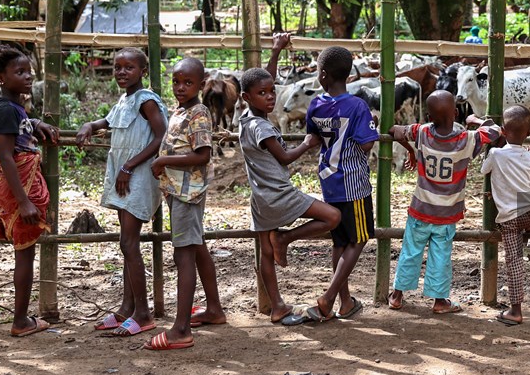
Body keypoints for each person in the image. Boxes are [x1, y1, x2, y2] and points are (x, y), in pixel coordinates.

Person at [76, 48, 186, 336]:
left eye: (129, 68)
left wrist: (129, 166)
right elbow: (107, 122)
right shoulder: (125, 100)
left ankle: (143, 313)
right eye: (117, 67)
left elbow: (161, 137)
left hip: (138, 175)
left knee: (129, 243)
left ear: (143, 72)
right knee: (127, 243)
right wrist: (89, 125)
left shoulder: (147, 100)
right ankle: (127, 307)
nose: (122, 72)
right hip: (124, 175)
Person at [237, 36, 341, 324]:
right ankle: (287, 237)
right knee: (333, 217)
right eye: (263, 94)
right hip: (280, 194)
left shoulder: (246, 119)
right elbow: (284, 157)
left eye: (272, 91)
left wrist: (275, 51)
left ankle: (277, 306)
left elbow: (264, 79)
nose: (270, 97)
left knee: (266, 253)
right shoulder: (261, 128)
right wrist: (307, 143)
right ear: (247, 98)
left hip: (260, 198)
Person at [387, 91, 501, 314]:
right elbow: (495, 131)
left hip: (420, 210)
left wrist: (411, 151)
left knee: (410, 252)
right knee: (441, 257)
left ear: (429, 117)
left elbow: (395, 131)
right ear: (456, 113)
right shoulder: (466, 140)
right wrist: (475, 120)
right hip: (447, 215)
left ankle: (397, 296)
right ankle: (440, 301)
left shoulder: (422, 132)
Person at [144, 57, 220, 350]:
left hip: (188, 194)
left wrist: (163, 161)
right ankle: (214, 309)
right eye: (176, 82)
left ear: (201, 85)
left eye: (188, 83)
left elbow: (202, 155)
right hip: (178, 192)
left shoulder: (198, 113)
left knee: (184, 255)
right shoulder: (180, 110)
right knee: (196, 247)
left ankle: (181, 329)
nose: (180, 87)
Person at [0, 45, 58, 337]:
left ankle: (22, 318)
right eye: (20, 72)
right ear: (1, 78)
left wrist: (35, 122)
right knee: (24, 255)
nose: (28, 76)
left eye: (29, 71)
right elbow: (6, 156)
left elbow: (20, 131)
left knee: (25, 254)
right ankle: (21, 321)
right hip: (19, 189)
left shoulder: (13, 107)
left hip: (21, 185)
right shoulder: (5, 110)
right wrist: (24, 201)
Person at [305, 45, 379, 321]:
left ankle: (345, 302)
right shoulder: (357, 106)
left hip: (330, 181)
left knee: (339, 242)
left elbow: (314, 136)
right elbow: (367, 144)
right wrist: (372, 123)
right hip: (353, 183)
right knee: (359, 238)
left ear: (323, 75)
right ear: (348, 75)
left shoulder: (316, 104)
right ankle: (328, 298)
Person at [480, 105, 530, 326]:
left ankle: (515, 311)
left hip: (511, 218)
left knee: (514, 261)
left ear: (503, 131)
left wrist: (492, 146)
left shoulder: (496, 154)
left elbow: (483, 170)